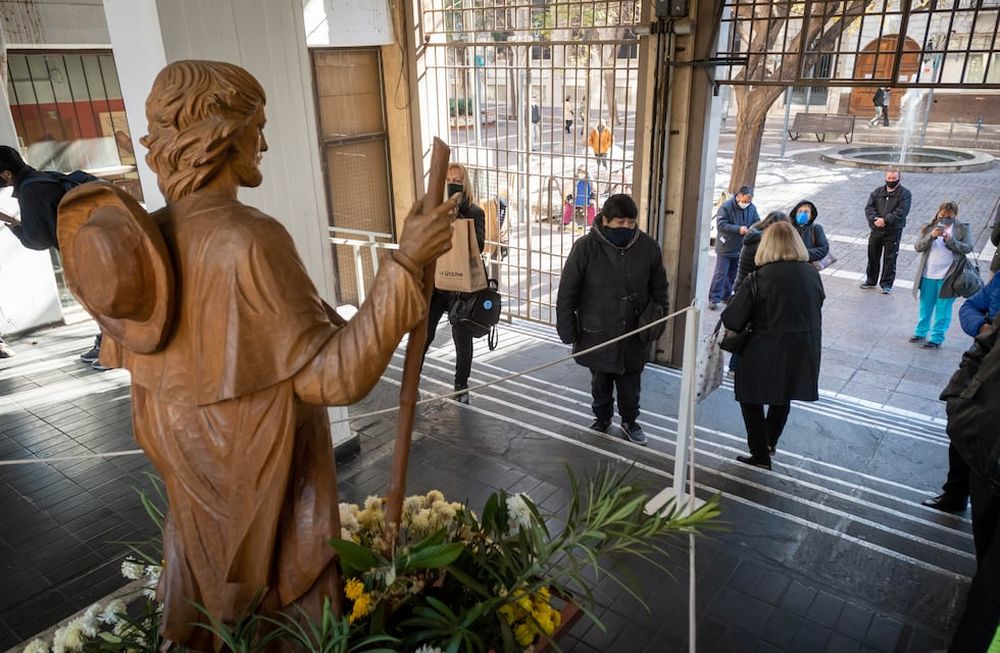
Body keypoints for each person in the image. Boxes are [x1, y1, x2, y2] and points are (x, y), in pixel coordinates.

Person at [64, 60, 456, 649]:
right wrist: (403, 264)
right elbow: (336, 377)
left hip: (198, 520)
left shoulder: (145, 252)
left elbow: (158, 405)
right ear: (221, 134)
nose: (264, 142)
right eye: (257, 126)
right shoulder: (249, 239)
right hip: (267, 511)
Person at [556, 194, 669, 447]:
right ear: (605, 220)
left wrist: (657, 322)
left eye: (631, 223)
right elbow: (568, 291)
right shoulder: (585, 247)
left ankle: (630, 421)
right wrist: (566, 327)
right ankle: (602, 417)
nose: (626, 228)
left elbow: (660, 290)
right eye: (619, 223)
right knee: (600, 380)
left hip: (634, 331)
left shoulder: (648, 248)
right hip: (597, 329)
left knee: (631, 382)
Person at [722, 220, 824, 470]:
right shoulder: (811, 272)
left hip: (763, 349)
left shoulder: (759, 277)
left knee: (750, 398)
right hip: (802, 347)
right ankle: (769, 442)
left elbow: (733, 318)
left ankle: (760, 453)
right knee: (783, 395)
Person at [0, 146, 105, 368]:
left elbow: (37, 241)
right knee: (102, 301)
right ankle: (107, 343)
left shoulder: (30, 191)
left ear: (6, 174)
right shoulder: (45, 177)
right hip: (98, 244)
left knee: (99, 302)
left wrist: (13, 223)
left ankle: (112, 351)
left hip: (81, 252)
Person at [939, 327, 1000, 652]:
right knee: (984, 562)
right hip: (985, 452)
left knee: (990, 592)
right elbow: (981, 347)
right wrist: (959, 401)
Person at [422, 162, 486, 404]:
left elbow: (478, 247)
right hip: (438, 284)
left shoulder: (475, 212)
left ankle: (461, 385)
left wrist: (458, 218)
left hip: (462, 287)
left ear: (465, 182)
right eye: (448, 180)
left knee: (462, 338)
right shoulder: (434, 210)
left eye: (457, 180)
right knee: (425, 334)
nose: (452, 183)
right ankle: (413, 378)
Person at [909, 202, 973, 349]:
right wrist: (931, 236)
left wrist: (950, 241)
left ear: (955, 215)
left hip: (949, 276)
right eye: (942, 215)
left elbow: (968, 248)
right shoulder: (928, 227)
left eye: (949, 216)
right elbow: (918, 247)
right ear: (938, 213)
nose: (945, 218)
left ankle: (937, 338)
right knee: (925, 306)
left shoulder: (963, 228)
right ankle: (920, 332)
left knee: (943, 309)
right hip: (928, 274)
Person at [709, 186, 760, 309]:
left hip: (740, 247)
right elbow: (721, 225)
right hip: (725, 246)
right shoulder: (726, 207)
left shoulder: (752, 208)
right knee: (721, 273)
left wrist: (754, 230)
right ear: (739, 196)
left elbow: (757, 221)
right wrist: (738, 229)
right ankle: (714, 298)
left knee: (732, 274)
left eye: (749, 200)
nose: (747, 203)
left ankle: (726, 296)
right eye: (746, 200)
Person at [862, 169, 911, 294]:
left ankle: (886, 284)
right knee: (873, 255)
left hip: (893, 231)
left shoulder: (904, 194)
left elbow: (901, 212)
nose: (891, 181)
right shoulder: (877, 192)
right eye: (889, 178)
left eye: (893, 179)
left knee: (890, 258)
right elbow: (869, 207)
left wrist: (886, 220)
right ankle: (871, 280)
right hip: (876, 230)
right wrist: (874, 219)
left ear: (899, 179)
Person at [790, 200, 830, 266]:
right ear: (795, 213)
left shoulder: (816, 228)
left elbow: (823, 249)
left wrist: (802, 253)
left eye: (806, 212)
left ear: (811, 215)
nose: (802, 214)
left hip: (809, 267)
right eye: (800, 211)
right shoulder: (789, 228)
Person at [563, 166, 596, 232]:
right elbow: (568, 190)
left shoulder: (591, 181)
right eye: (580, 172)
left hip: (587, 200)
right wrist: (570, 199)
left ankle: (592, 223)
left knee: (592, 208)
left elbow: (594, 190)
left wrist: (592, 199)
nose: (581, 174)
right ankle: (565, 222)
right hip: (575, 199)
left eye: (583, 172)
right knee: (568, 208)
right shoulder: (574, 181)